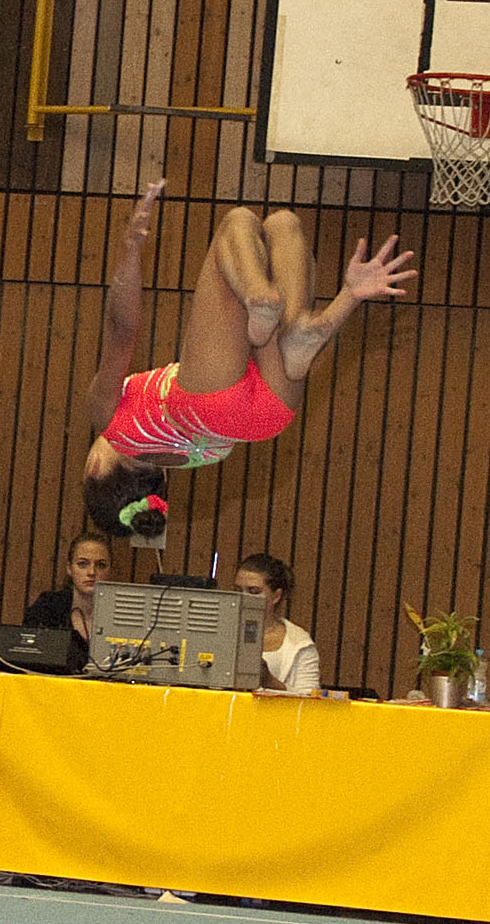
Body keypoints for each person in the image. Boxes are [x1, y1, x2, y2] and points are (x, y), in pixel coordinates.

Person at [82, 180, 416, 537]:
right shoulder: (111, 425)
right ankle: (261, 298)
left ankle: (313, 326)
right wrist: (130, 250)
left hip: (267, 419)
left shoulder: (193, 460)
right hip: (202, 403)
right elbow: (121, 332)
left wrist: (345, 300)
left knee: (284, 226)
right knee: (238, 222)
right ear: (96, 469)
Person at [234, 553, 321, 695]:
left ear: (276, 596)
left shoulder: (299, 643)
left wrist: (270, 681)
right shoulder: (219, 629)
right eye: (238, 590)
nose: (244, 597)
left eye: (254, 591)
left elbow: (310, 703)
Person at [23, 532, 112, 668]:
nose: (92, 572)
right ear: (69, 568)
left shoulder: (120, 613)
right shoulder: (47, 607)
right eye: (83, 564)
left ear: (110, 570)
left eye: (100, 565)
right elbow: (26, 656)